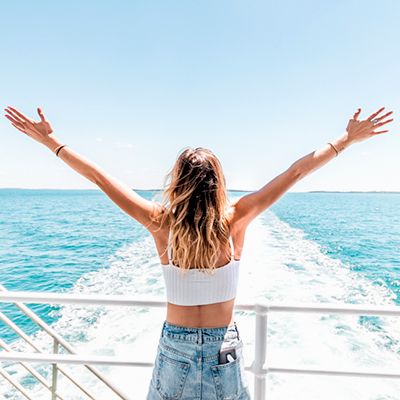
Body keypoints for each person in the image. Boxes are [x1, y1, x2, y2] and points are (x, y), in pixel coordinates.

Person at [4, 105, 394, 399]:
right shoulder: (237, 218)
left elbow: (100, 177)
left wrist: (48, 142)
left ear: (179, 181)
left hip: (176, 343)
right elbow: (294, 173)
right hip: (224, 343)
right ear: (218, 182)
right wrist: (346, 139)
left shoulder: (161, 223)